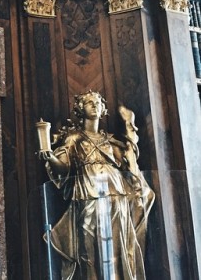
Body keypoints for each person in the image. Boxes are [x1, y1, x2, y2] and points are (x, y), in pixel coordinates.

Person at [39, 91, 154, 280]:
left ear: (103, 110)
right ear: (80, 109)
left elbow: (130, 160)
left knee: (119, 246)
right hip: (87, 197)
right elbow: (63, 168)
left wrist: (129, 125)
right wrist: (50, 156)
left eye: (97, 103)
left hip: (117, 195)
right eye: (88, 103)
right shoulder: (74, 139)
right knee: (88, 249)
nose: (94, 105)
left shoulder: (110, 140)